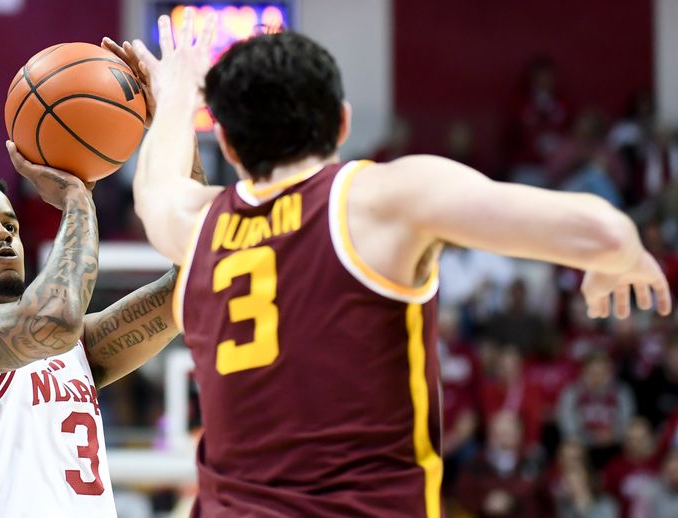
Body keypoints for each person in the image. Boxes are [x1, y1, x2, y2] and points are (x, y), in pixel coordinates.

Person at [126, 11, 672, 517]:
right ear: (342, 123)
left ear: (226, 141)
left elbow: (155, 190)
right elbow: (604, 230)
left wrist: (174, 96)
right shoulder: (379, 199)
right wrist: (614, 257)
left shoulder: (197, 226)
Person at [0, 139, 188, 516]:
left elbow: (187, 286)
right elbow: (56, 320)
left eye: (10, 225)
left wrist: (177, 113)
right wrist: (77, 201)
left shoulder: (70, 347)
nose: (1, 233)